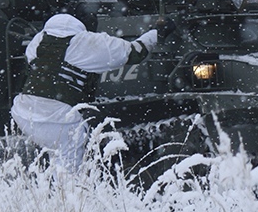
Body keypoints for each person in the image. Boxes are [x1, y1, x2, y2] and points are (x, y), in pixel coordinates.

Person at [11, 12, 159, 167]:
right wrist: (157, 32)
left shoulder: (40, 39)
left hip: (23, 113)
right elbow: (134, 53)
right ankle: (70, 189)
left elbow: (31, 63)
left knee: (56, 156)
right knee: (70, 168)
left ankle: (45, 187)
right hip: (57, 116)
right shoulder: (86, 41)